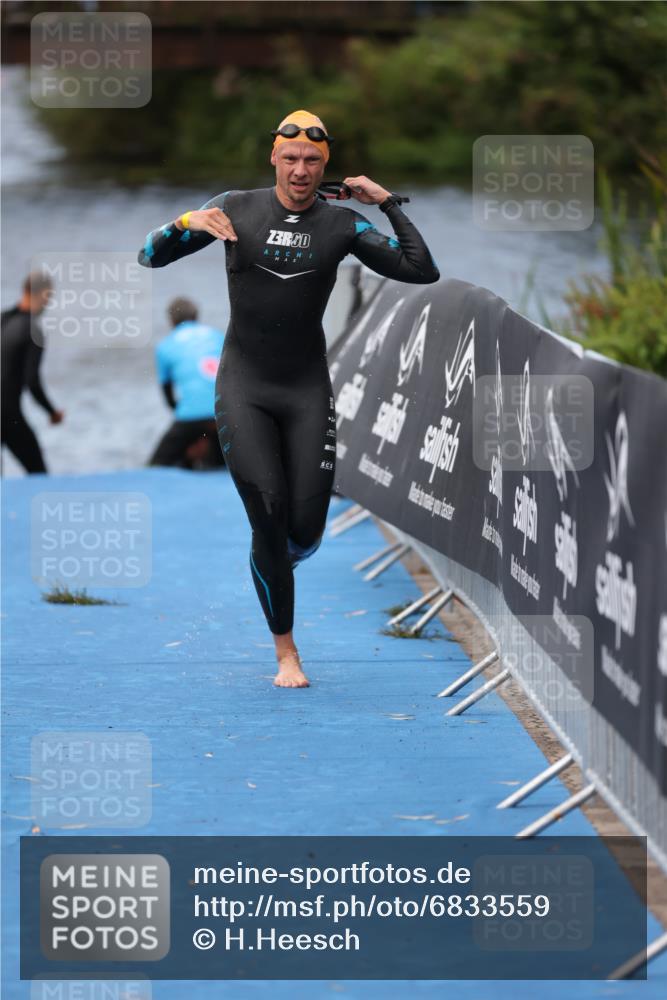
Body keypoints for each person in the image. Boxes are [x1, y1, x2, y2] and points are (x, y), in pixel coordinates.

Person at [138, 109, 439, 688]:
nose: (301, 170)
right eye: (291, 158)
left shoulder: (342, 225)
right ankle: (287, 654)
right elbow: (149, 257)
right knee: (269, 516)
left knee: (303, 530)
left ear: (325, 166)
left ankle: (276, 558)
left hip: (305, 389)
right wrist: (183, 221)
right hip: (244, 385)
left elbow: (421, 271)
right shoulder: (234, 208)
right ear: (273, 158)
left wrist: (387, 204)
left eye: (313, 162)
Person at [149, 296, 225, 469]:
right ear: (196, 315)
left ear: (171, 320)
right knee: (221, 464)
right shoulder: (217, 335)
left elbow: (168, 397)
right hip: (222, 413)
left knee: (156, 466)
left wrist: (187, 421)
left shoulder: (165, 345)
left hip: (190, 415)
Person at [1, 271, 64, 475]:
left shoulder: (2, 320)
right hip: (8, 415)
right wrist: (51, 412)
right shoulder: (33, 331)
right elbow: (32, 382)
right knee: (38, 473)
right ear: (43, 294)